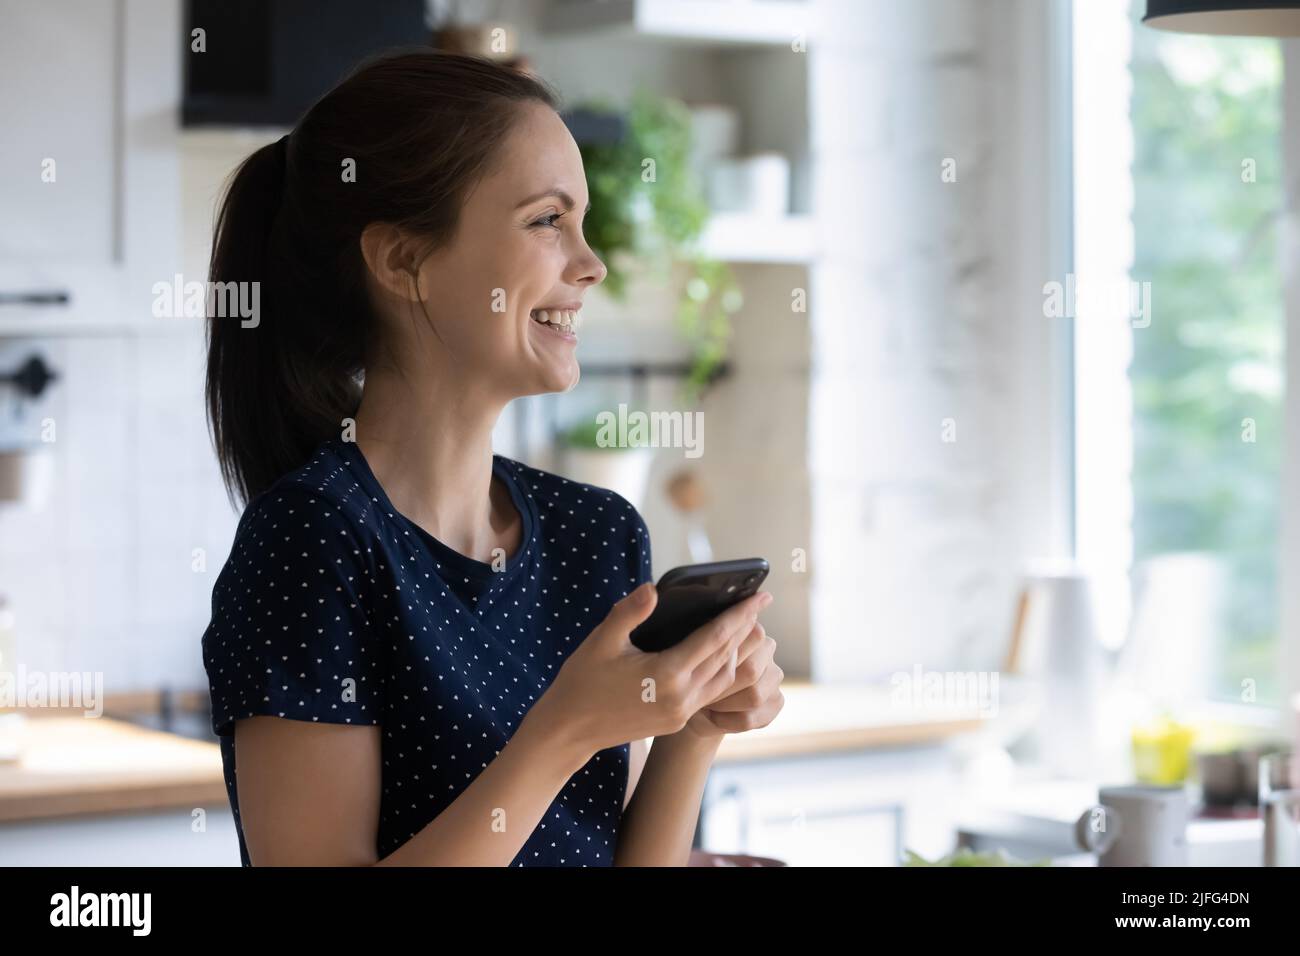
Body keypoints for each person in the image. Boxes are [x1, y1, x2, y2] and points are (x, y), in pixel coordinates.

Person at [200, 49, 783, 866]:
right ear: (404, 262)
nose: (591, 264)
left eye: (580, 223)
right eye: (547, 221)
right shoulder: (313, 540)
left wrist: (691, 727)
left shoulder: (598, 536)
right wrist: (569, 728)